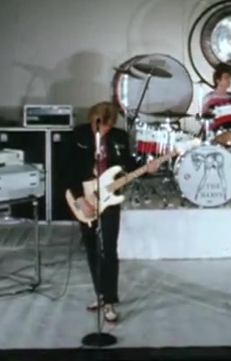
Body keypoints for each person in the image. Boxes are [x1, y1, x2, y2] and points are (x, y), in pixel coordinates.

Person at [67, 101, 161, 323]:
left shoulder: (119, 137)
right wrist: (80, 200)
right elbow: (66, 170)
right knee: (92, 248)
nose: (102, 130)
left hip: (109, 198)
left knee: (108, 249)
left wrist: (147, 169)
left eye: (107, 126)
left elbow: (127, 165)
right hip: (84, 196)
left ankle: (110, 300)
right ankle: (100, 293)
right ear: (92, 120)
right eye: (98, 125)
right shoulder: (78, 135)